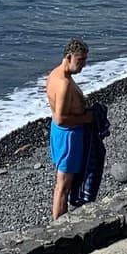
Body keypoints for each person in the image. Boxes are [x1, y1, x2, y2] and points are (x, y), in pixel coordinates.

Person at [46, 39, 93, 218]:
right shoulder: (63, 84)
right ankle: (58, 228)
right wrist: (87, 117)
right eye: (80, 60)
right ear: (68, 57)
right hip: (68, 137)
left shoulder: (55, 74)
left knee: (65, 184)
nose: (83, 65)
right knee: (63, 186)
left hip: (63, 135)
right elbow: (60, 118)